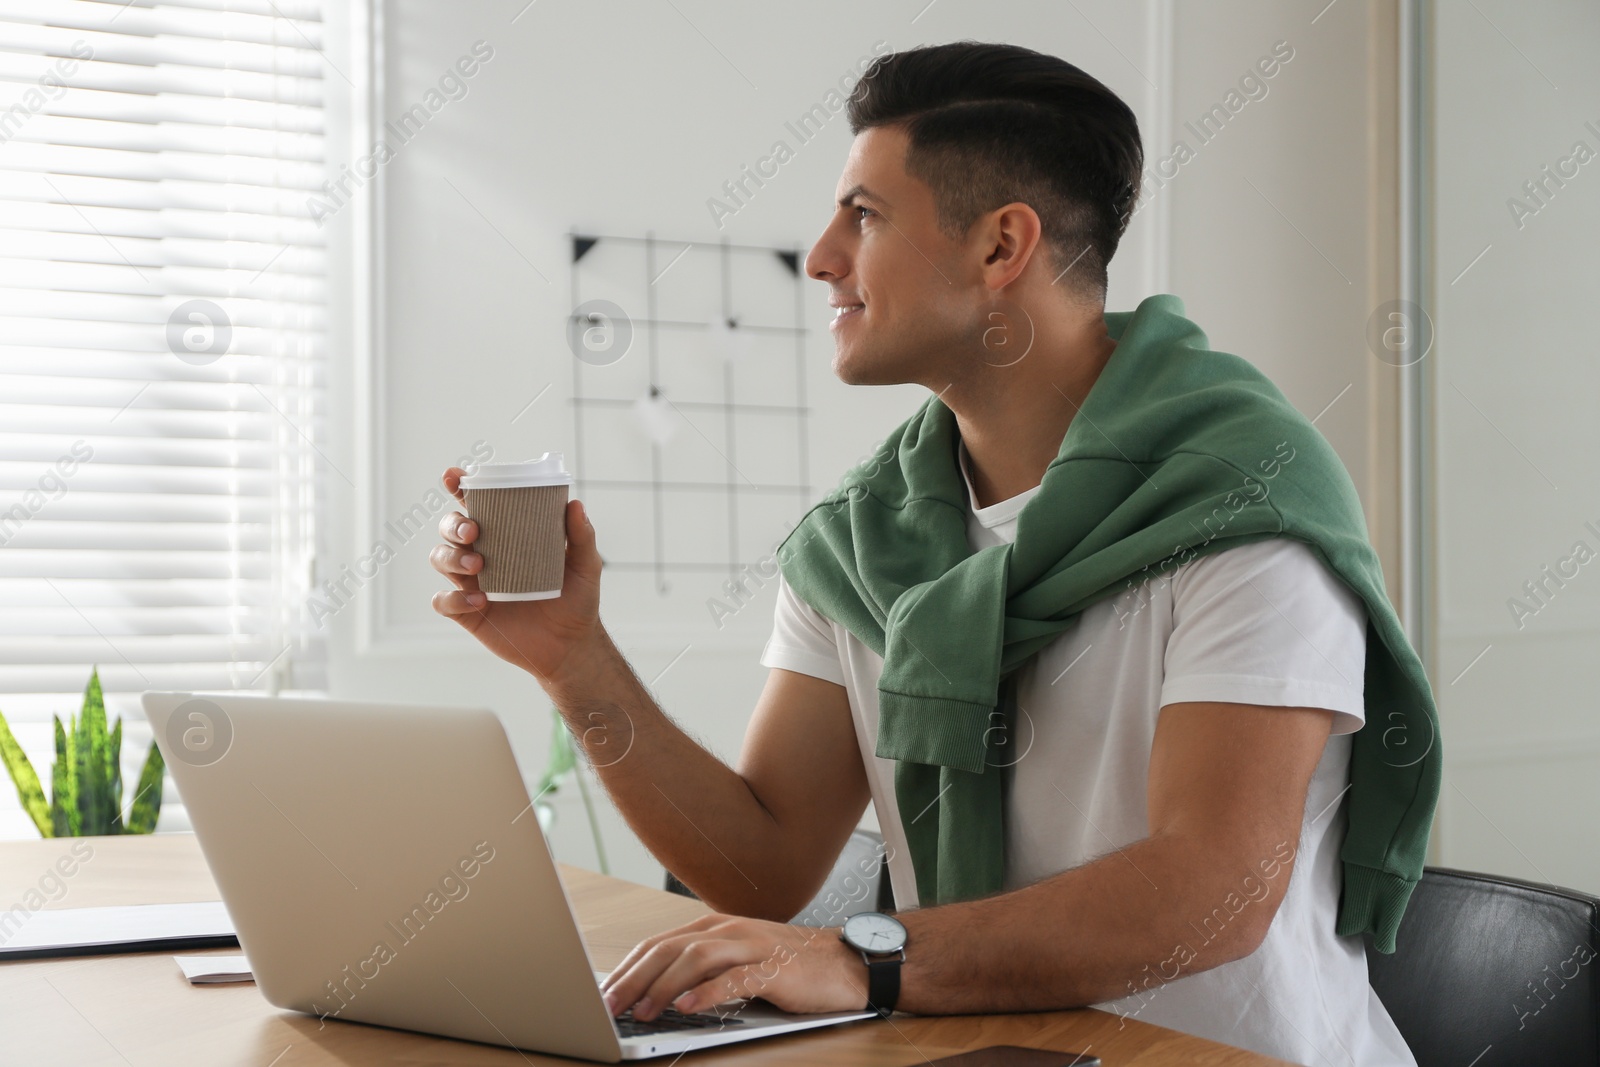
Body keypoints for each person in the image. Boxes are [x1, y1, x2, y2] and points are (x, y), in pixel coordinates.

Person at [431, 41, 1435, 1066]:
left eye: (862, 215)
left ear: (1001, 248)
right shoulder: (865, 540)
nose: (820, 256)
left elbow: (1211, 886)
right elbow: (765, 864)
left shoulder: (1240, 500)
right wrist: (572, 656)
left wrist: (863, 957)